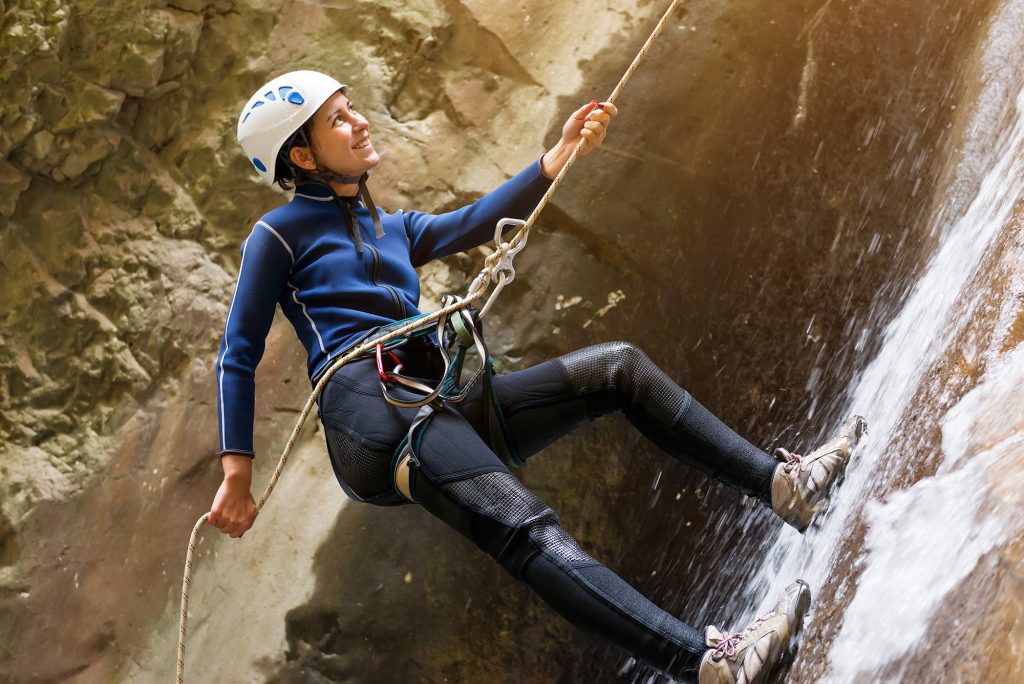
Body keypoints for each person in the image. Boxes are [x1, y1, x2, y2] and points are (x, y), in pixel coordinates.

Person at [209, 70, 865, 683]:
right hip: (371, 414)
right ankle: (710, 664)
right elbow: (237, 351)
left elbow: (469, 222)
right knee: (526, 526)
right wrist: (238, 474)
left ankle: (785, 487)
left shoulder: (389, 227)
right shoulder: (278, 234)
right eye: (339, 119)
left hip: (432, 401)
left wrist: (561, 153)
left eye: (353, 109)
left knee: (617, 369)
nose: (359, 122)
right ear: (302, 156)